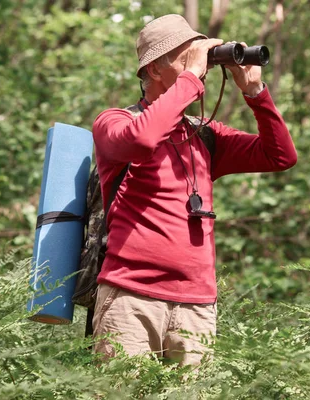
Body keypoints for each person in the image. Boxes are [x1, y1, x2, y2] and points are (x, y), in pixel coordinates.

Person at [91, 14, 297, 365]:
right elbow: (142, 139)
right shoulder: (115, 122)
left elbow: (279, 155)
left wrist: (255, 92)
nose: (200, 66)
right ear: (155, 70)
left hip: (197, 305)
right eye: (187, 56)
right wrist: (190, 79)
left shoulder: (205, 135)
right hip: (131, 297)